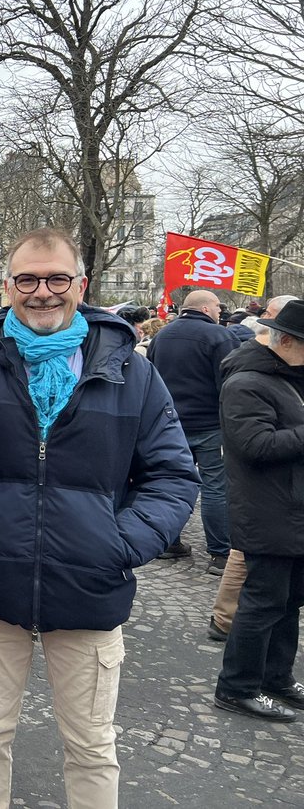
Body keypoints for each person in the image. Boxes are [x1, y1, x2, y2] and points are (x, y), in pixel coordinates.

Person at [0, 229, 198, 809]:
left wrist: (120, 542)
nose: (43, 292)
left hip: (91, 585)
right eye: (28, 280)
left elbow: (172, 474)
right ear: (7, 287)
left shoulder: (131, 372)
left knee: (90, 743)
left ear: (81, 285)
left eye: (57, 279)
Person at [212, 299, 304, 722]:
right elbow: (256, 446)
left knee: (289, 602)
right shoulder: (246, 382)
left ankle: (275, 677)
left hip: (293, 508)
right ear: (285, 341)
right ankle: (237, 687)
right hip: (269, 510)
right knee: (263, 602)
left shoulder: (288, 375)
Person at [146, 289, 241, 573]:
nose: (220, 311)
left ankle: (168, 542)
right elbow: (230, 383)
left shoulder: (162, 335)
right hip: (211, 424)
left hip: (170, 423)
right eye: (217, 306)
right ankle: (220, 553)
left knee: (173, 484)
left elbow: (150, 376)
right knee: (215, 488)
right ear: (205, 309)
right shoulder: (220, 336)